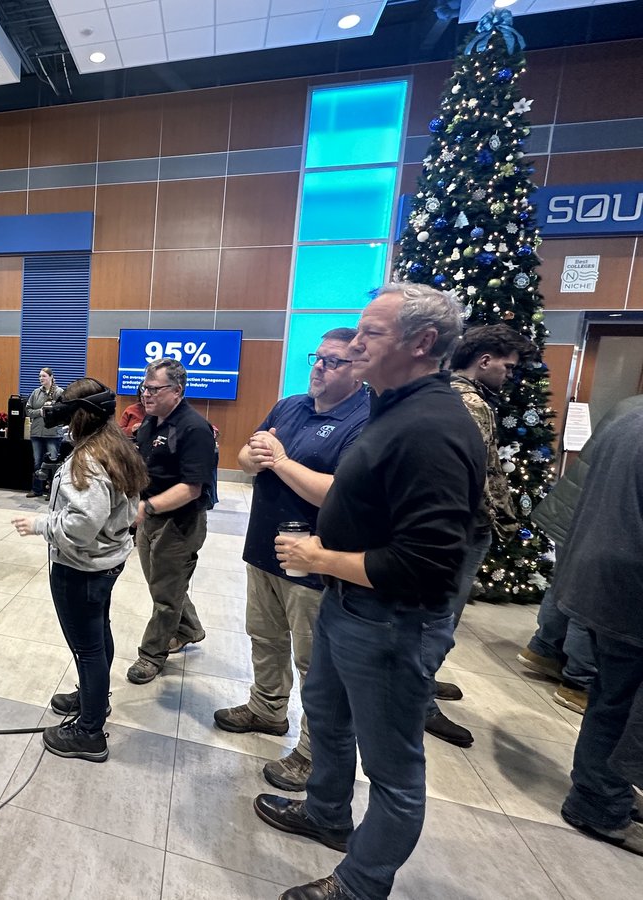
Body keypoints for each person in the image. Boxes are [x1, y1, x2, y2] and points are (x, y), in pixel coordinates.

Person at [253, 283, 484, 900]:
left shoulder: (433, 426)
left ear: (422, 343)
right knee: (328, 718)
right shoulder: (392, 407)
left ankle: (360, 883)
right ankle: (327, 813)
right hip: (348, 605)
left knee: (393, 771)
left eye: (370, 334)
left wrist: (320, 556)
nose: (353, 346)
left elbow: (429, 563)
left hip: (391, 621)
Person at [213, 327, 369, 792]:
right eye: (317, 357)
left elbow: (341, 495)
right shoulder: (290, 405)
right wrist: (254, 457)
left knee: (314, 663)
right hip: (263, 546)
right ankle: (266, 709)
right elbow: (244, 454)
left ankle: (312, 753)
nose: (320, 367)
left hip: (313, 560)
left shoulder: (363, 419)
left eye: (334, 361)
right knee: (264, 636)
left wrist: (279, 461)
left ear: (357, 368)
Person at [11, 379, 149, 762]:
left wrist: (39, 524)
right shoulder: (116, 445)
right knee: (97, 635)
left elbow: (81, 526)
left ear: (77, 417)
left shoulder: (87, 459)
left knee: (87, 648)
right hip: (107, 563)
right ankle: (94, 701)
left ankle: (90, 733)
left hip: (83, 568)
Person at [423, 323, 535, 748]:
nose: (509, 374)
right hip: (464, 530)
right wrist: (499, 519)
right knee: (440, 619)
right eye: (506, 367)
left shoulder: (447, 394)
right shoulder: (471, 403)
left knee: (440, 618)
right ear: (483, 361)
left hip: (460, 528)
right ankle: (420, 702)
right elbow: (479, 474)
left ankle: (424, 681)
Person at [551, 405, 643, 856]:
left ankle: (607, 788)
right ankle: (600, 800)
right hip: (632, 589)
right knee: (621, 702)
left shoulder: (629, 415)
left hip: (604, 577)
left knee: (612, 695)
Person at [518, 393, 643, 714]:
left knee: (568, 583)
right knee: (590, 602)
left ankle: (543, 648)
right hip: (603, 524)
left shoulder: (627, 406)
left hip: (574, 512)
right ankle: (578, 681)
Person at [125, 358, 218, 686]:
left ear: (177, 391)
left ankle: (152, 654)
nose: (146, 394)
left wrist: (147, 507)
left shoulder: (194, 428)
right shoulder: (150, 423)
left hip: (179, 523)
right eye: (144, 388)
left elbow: (192, 489)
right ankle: (189, 628)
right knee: (163, 584)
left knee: (165, 593)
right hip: (149, 517)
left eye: (153, 389)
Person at [25, 367, 63, 498]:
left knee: (53, 463)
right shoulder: (35, 393)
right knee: (37, 462)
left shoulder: (59, 392)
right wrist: (40, 412)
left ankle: (52, 492)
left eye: (44, 376)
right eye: (40, 376)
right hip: (36, 433)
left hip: (53, 434)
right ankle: (36, 489)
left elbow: (63, 412)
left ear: (51, 377)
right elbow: (28, 411)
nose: (41, 378)